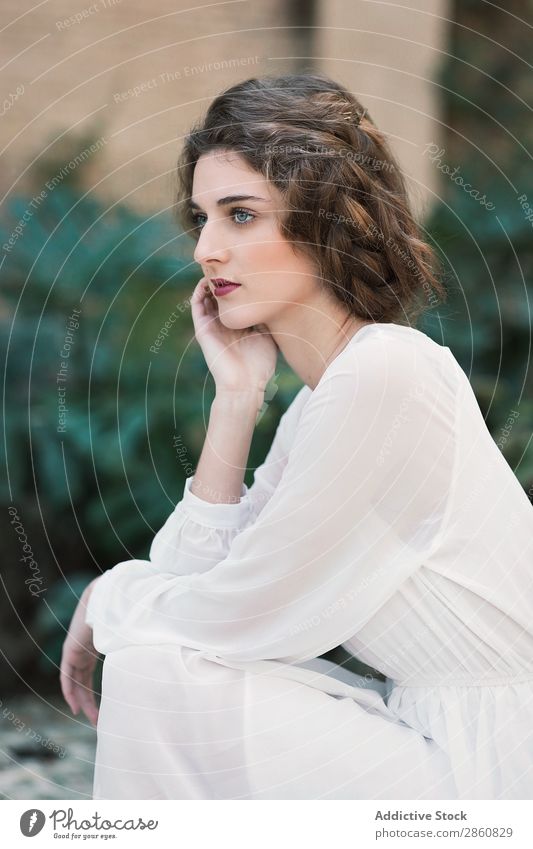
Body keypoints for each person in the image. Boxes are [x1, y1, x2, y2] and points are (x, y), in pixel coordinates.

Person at [60, 74, 533, 800]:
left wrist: (108, 597)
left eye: (241, 215)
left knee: (156, 669)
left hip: (492, 762)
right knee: (156, 664)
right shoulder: (328, 397)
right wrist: (237, 396)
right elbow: (202, 586)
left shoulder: (387, 373)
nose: (206, 251)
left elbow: (241, 615)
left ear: (328, 219)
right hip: (435, 738)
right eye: (203, 218)